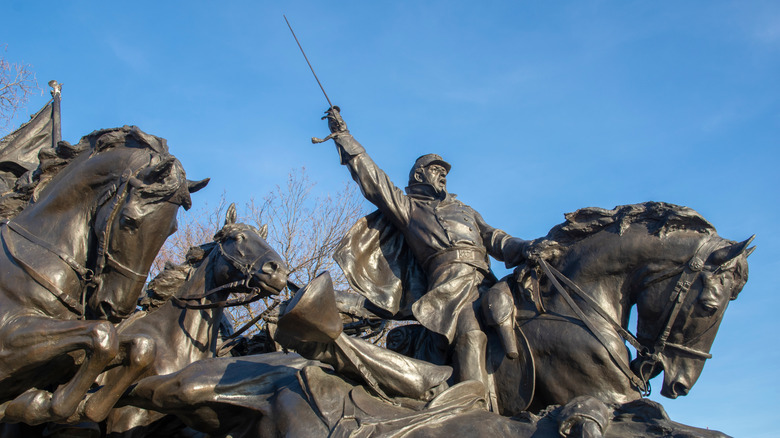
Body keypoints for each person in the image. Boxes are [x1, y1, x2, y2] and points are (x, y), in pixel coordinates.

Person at [319, 107, 529, 398]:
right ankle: (471, 406)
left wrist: (528, 247)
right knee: (470, 333)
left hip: (485, 283)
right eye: (436, 170)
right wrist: (344, 137)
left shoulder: (465, 209)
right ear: (420, 173)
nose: (443, 176)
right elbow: (374, 183)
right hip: (450, 288)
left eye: (444, 173)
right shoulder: (410, 209)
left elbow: (497, 239)